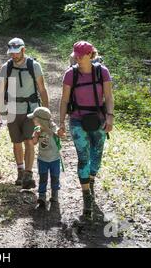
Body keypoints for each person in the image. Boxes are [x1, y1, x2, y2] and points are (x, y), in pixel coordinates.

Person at [58, 41, 114, 218]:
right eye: (76, 54)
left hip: (98, 119)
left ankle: (91, 181)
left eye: (82, 54)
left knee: (96, 157)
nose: (78, 57)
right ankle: (86, 196)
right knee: (83, 157)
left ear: (91, 54)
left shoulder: (102, 72)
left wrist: (110, 117)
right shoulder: (70, 74)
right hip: (77, 120)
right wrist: (61, 123)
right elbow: (64, 101)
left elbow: (109, 96)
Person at [0, 38, 49, 189]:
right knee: (16, 142)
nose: (13, 56)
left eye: (16, 53)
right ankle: (20, 171)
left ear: (23, 50)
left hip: (30, 110)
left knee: (29, 141)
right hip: (12, 110)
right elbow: (0, 91)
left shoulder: (34, 66)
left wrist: (45, 112)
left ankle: (28, 174)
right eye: (11, 53)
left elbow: (42, 89)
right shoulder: (6, 68)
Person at [27, 107, 62, 207]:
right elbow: (34, 143)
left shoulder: (53, 127)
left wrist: (45, 129)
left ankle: (55, 194)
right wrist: (36, 136)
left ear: (40, 120)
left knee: (55, 177)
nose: (33, 120)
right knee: (43, 177)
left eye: (34, 118)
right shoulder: (37, 129)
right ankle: (42, 196)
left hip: (54, 159)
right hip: (42, 159)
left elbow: (58, 135)